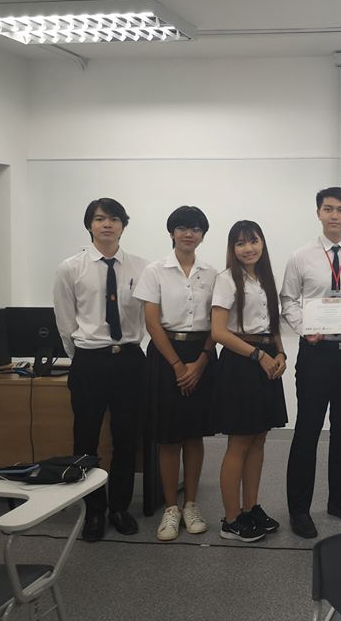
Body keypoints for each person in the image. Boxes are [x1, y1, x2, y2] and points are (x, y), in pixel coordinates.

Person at [280, 187, 341, 538]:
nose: (334, 215)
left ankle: (339, 500)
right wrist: (306, 328)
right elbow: (288, 300)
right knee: (307, 431)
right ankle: (299, 509)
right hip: (315, 355)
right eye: (328, 209)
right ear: (318, 213)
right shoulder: (301, 256)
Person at [53, 197, 149, 541]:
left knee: (126, 438)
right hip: (90, 361)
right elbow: (65, 321)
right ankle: (93, 511)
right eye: (99, 219)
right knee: (86, 439)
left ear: (123, 225)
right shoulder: (70, 268)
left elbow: (147, 316)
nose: (107, 224)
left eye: (113, 219)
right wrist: (82, 354)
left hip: (129, 361)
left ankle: (119, 508)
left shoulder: (141, 267)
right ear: (89, 225)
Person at [134, 206, 217, 541]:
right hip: (166, 355)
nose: (188, 234)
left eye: (195, 228)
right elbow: (152, 323)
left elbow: (218, 321)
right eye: (182, 227)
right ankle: (171, 508)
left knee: (194, 434)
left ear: (202, 235)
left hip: (202, 354)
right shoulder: (154, 271)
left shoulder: (212, 274)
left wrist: (200, 362)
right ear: (171, 232)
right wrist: (178, 366)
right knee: (169, 437)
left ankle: (191, 504)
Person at [210, 220, 288, 542]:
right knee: (240, 442)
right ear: (233, 248)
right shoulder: (227, 279)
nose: (248, 248)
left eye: (253, 241)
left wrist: (280, 353)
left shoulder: (266, 278)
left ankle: (251, 508)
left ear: (262, 243)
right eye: (240, 243)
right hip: (242, 363)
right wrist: (258, 356)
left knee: (259, 438)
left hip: (266, 359)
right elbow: (218, 332)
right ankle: (231, 519)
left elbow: (272, 325)